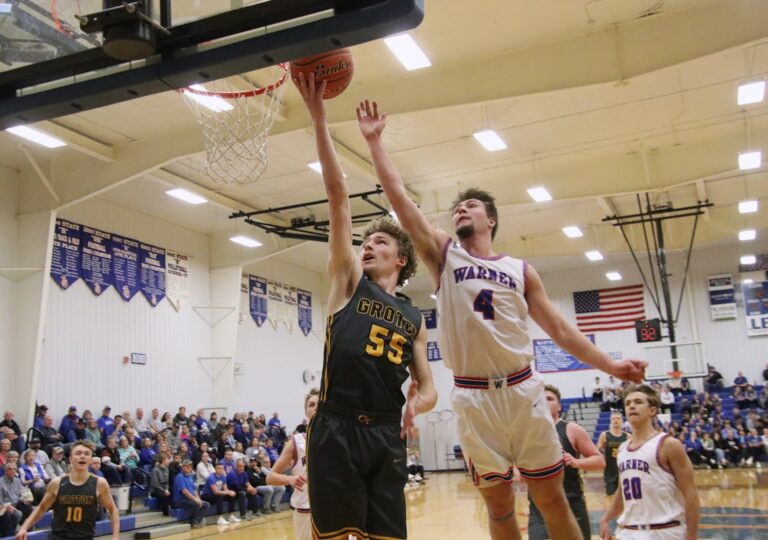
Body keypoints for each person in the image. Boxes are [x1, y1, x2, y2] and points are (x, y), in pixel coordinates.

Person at [356, 98, 646, 540]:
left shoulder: (521, 270)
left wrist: (611, 366)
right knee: (499, 508)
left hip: (523, 390)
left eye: (470, 206)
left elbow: (562, 331)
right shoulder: (444, 256)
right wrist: (376, 143)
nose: (460, 211)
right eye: (457, 208)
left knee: (550, 500)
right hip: (473, 398)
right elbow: (401, 203)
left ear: (490, 219)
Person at [298, 74, 438, 540]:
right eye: (364, 240)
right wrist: (319, 116)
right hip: (335, 426)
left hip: (384, 433)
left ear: (401, 259)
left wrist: (418, 404)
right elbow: (337, 195)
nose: (366, 246)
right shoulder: (347, 281)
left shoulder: (414, 318)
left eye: (377, 241)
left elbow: (428, 384)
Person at [599, 385, 700, 540]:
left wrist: (692, 535)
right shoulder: (623, 449)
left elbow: (690, 492)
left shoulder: (668, 444)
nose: (631, 406)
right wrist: (605, 519)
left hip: (665, 531)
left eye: (638, 402)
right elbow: (622, 492)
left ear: (652, 410)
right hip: (628, 532)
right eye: (628, 403)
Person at [528, 385, 605, 540]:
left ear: (559, 405)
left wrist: (576, 462)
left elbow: (600, 461)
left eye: (549, 398)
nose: (544, 401)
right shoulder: (528, 431)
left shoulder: (572, 429)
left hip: (571, 503)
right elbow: (515, 467)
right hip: (539, 506)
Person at [15, 440, 119, 540]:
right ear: (70, 459)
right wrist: (24, 527)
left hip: (85, 537)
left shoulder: (99, 483)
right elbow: (42, 508)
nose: (82, 456)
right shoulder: (57, 483)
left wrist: (115, 537)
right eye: (78, 453)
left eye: (87, 453)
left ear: (91, 460)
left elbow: (113, 510)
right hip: (58, 537)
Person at [267, 389, 319, 540]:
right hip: (306, 512)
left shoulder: (338, 439)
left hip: (333, 510)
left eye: (319, 404)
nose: (315, 407)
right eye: (311, 404)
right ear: (306, 411)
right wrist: (290, 479)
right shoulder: (296, 442)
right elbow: (270, 477)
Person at [596, 411, 629, 503]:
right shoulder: (604, 435)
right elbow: (597, 450)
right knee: (610, 495)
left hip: (623, 470)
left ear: (622, 421)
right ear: (610, 421)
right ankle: (612, 515)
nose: (616, 420)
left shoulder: (627, 436)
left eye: (618, 418)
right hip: (609, 470)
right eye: (613, 419)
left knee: (624, 496)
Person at [172, 460, 210, 528]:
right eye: (187, 466)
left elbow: (194, 490)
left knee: (206, 505)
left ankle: (198, 521)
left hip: (190, 499)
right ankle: (192, 522)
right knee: (195, 504)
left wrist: (198, 499)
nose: (189, 468)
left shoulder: (190, 476)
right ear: (183, 467)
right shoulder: (179, 477)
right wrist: (195, 500)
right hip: (180, 500)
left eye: (190, 466)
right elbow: (185, 492)